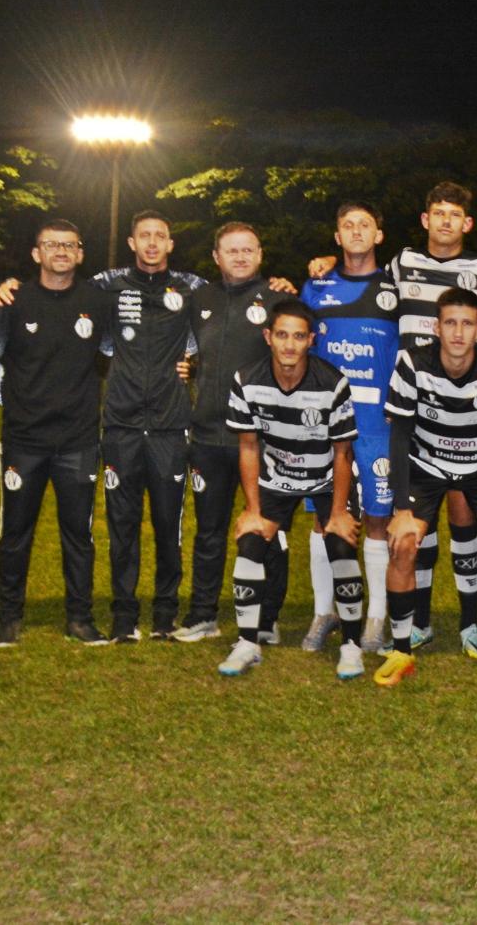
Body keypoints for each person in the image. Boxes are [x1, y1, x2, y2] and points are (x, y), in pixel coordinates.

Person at [0, 211, 293, 643]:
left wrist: (185, 364)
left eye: (161, 237)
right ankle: (123, 615)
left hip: (172, 428)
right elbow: (64, 294)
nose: (152, 243)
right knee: (121, 528)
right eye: (144, 236)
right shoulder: (104, 287)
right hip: (120, 427)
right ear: (132, 243)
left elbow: (202, 334)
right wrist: (13, 284)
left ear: (171, 244)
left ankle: (167, 614)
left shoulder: (192, 289)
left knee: (169, 527)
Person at [308, 182, 477, 656]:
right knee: (402, 518)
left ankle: (453, 621)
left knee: (450, 514)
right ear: (423, 220)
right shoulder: (400, 267)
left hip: (442, 415)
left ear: (467, 223)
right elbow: (349, 279)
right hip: (402, 412)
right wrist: (320, 266)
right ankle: (385, 616)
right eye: (437, 213)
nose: (445, 221)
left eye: (454, 214)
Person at [375, 289, 477, 688]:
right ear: (436, 327)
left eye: (467, 323)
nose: (458, 332)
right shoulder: (412, 362)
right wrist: (402, 509)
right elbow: (400, 436)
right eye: (450, 323)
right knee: (404, 542)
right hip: (426, 466)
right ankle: (402, 650)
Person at [0, 220, 111, 646]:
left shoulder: (97, 300)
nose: (61, 251)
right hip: (24, 441)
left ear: (81, 253)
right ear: (37, 254)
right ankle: (8, 617)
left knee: (79, 536)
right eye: (51, 244)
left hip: (79, 441)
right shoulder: (11, 300)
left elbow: (113, 353)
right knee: (15, 533)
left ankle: (80, 619)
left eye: (69, 245)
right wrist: (13, 402)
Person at [218, 300, 363, 679]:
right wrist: (252, 509)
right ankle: (248, 643)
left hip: (327, 475)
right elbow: (248, 446)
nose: (289, 344)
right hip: (278, 476)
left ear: (310, 341)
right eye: (281, 335)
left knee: (340, 543)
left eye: (298, 336)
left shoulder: (333, 383)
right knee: (250, 540)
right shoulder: (247, 380)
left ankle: (351, 646)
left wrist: (338, 513)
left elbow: (343, 452)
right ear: (268, 337)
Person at [300, 202, 401, 655]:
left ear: (379, 235)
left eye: (365, 225)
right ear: (336, 236)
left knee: (378, 521)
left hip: (379, 427)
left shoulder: (396, 289)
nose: (357, 231)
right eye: (348, 225)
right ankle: (327, 611)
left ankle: (377, 616)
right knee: (325, 519)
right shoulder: (317, 285)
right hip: (325, 428)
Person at [175, 222, 282, 644]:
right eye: (231, 250)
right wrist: (183, 365)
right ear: (217, 257)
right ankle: (203, 614)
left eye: (248, 250)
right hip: (207, 437)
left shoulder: (278, 299)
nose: (240, 257)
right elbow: (179, 346)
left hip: (261, 440)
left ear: (260, 254)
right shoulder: (199, 299)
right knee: (209, 531)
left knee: (269, 529)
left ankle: (267, 618)